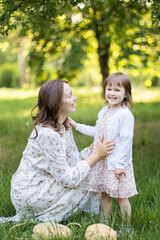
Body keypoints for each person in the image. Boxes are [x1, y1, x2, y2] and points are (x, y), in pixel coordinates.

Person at [0, 79, 114, 224]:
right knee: (90, 171)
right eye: (69, 95)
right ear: (56, 102)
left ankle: (91, 216)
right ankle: (45, 216)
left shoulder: (63, 125)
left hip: (46, 181)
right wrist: (96, 154)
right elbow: (68, 178)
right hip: (31, 192)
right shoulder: (48, 134)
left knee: (90, 168)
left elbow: (73, 162)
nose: (75, 98)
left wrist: (95, 147)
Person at [69, 72, 138, 225]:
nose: (112, 93)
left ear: (126, 93)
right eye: (109, 89)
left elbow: (126, 142)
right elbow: (97, 131)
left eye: (117, 90)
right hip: (102, 161)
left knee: (121, 195)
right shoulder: (105, 111)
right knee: (104, 194)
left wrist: (120, 166)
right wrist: (76, 125)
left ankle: (126, 227)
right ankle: (103, 223)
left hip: (116, 164)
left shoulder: (124, 115)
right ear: (105, 90)